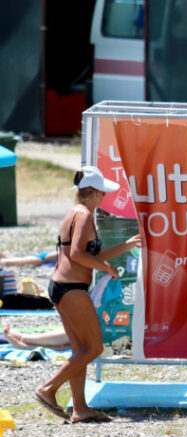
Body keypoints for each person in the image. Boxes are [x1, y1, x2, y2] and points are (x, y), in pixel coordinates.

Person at [34, 166, 140, 423]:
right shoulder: (84, 215)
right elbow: (78, 256)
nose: (104, 197)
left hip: (61, 286)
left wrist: (125, 246)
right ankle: (48, 388)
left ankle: (80, 408)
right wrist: (105, 268)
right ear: (91, 192)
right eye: (102, 192)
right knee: (94, 347)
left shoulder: (74, 212)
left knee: (80, 349)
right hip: (71, 289)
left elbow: (84, 256)